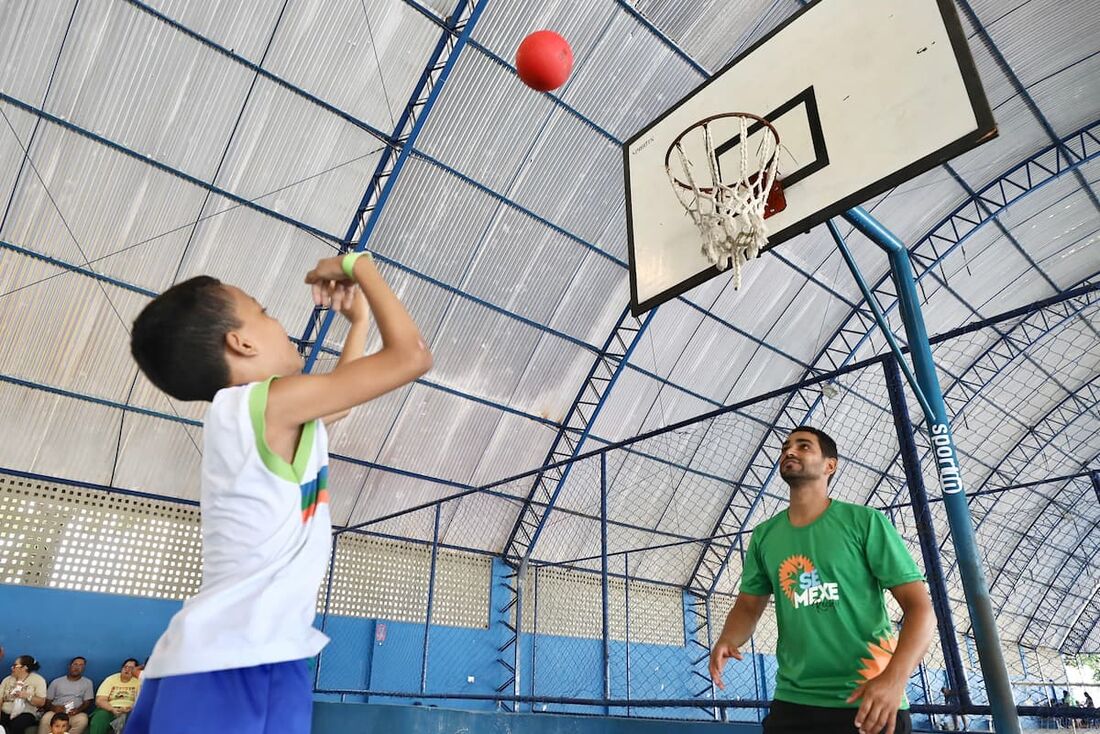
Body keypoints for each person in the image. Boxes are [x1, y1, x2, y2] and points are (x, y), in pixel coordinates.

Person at [124, 252, 431, 733]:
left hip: (210, 658)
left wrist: (357, 322)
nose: (278, 321)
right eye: (263, 312)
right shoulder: (258, 406)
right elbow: (412, 355)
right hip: (244, 660)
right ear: (241, 342)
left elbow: (339, 399)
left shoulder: (251, 416)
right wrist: (358, 265)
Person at [708, 427, 935, 734]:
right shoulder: (764, 535)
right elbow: (748, 606)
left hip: (867, 701)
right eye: (785, 447)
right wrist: (728, 638)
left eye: (804, 446)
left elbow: (921, 609)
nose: (789, 451)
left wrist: (894, 679)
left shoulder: (865, 522)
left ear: (830, 465)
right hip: (792, 701)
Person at [39, 657, 94, 734]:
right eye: (75, 664)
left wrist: (78, 710)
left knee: (83, 720)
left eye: (81, 665)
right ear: (69, 666)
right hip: (56, 712)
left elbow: (87, 702)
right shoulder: (56, 682)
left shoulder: (87, 683)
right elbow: (47, 701)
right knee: (46, 718)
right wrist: (54, 708)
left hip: (75, 713)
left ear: (84, 668)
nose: (77, 667)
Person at [87, 659, 140, 734]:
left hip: (130, 711)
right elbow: (100, 700)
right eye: (125, 667)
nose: (127, 670)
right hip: (109, 709)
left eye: (131, 668)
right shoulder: (111, 679)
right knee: (100, 716)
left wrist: (131, 709)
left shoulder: (139, 681)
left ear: (136, 670)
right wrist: (112, 709)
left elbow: (142, 701)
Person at [1, 655, 48, 732]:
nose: (12, 668)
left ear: (24, 668)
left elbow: (41, 702)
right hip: (6, 710)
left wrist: (27, 696)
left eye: (15, 665)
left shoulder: (38, 680)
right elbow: (0, 698)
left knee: (17, 725)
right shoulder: (7, 680)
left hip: (26, 712)